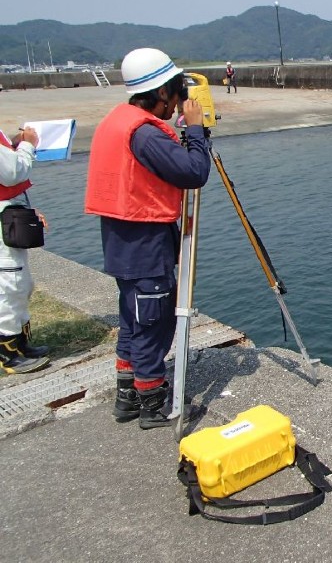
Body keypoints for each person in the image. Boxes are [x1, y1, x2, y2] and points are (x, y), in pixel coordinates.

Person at [84, 48, 210, 429]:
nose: (176, 103)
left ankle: (128, 397)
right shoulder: (144, 133)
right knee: (153, 323)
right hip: (145, 240)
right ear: (160, 92)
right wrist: (197, 131)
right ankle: (153, 402)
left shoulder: (120, 120)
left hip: (124, 238)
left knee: (133, 320)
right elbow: (193, 172)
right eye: (175, 92)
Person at [0, 127, 51, 374]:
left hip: (8, 212)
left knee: (20, 281)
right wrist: (28, 145)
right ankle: (7, 353)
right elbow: (12, 172)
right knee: (9, 283)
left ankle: (19, 343)